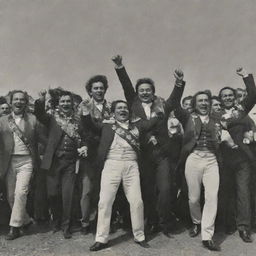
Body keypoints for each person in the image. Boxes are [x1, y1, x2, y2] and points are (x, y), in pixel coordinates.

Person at [112, 55, 185, 236]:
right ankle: (153, 222)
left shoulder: (162, 106)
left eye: (148, 90)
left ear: (153, 92)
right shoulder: (133, 104)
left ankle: (164, 221)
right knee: (148, 191)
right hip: (143, 156)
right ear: (138, 92)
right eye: (141, 90)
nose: (145, 92)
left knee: (166, 189)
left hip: (162, 155)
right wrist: (120, 66)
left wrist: (179, 83)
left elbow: (175, 99)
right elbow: (126, 85)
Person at [85, 100, 162, 251]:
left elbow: (153, 122)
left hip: (132, 165)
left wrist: (159, 111)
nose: (123, 110)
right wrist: (86, 112)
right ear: (113, 112)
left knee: (137, 201)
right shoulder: (107, 125)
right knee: (105, 202)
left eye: (125, 108)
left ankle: (139, 236)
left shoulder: (138, 125)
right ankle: (101, 238)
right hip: (111, 164)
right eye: (119, 108)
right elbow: (90, 125)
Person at [34, 90, 88, 239]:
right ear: (58, 104)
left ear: (72, 104)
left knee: (68, 195)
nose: (65, 104)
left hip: (70, 163)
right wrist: (41, 99)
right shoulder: (52, 118)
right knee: (52, 194)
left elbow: (84, 137)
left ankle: (66, 226)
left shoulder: (78, 120)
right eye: (62, 101)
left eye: (68, 101)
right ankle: (56, 221)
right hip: (53, 162)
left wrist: (84, 146)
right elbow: (39, 113)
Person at [218, 68, 256, 242]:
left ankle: (244, 227)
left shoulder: (240, 110)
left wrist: (246, 76)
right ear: (220, 99)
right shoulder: (214, 115)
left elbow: (253, 93)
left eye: (230, 95)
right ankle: (228, 223)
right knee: (226, 191)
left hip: (242, 158)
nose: (227, 98)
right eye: (224, 96)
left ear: (234, 97)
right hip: (224, 159)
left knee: (243, 192)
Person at [0, 90, 40, 240]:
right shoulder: (3, 120)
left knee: (21, 193)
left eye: (22, 99)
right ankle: (27, 220)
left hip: (27, 161)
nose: (18, 102)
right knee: (11, 196)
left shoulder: (33, 119)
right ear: (10, 102)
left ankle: (15, 227)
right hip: (9, 162)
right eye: (15, 99)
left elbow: (41, 139)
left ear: (25, 102)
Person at [78, 75, 112, 234]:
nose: (99, 90)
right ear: (90, 91)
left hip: (107, 152)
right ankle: (85, 222)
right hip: (89, 152)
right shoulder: (83, 106)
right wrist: (83, 145)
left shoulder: (111, 106)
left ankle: (101, 221)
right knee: (87, 189)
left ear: (105, 89)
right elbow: (80, 130)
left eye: (101, 88)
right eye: (95, 88)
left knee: (104, 190)